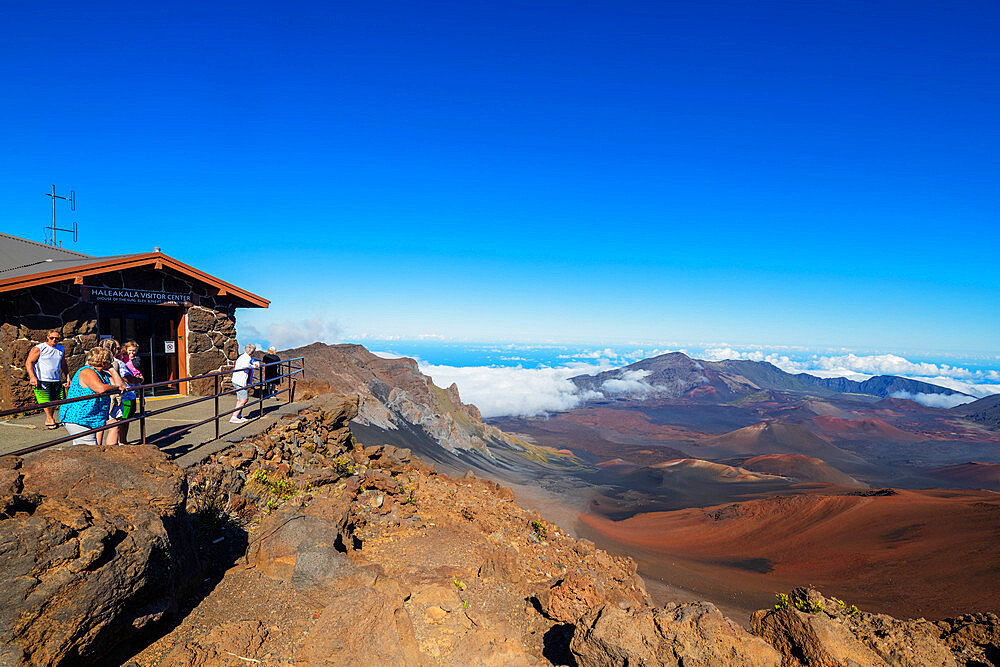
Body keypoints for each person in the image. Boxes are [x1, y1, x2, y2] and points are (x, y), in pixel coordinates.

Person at [59, 347, 118, 446]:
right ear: (104, 362)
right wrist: (115, 387)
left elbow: (121, 386)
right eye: (110, 361)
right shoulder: (86, 371)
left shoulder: (103, 374)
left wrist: (112, 370)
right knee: (89, 447)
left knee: (80, 449)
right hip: (79, 417)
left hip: (91, 416)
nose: (112, 363)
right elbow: (101, 388)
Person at [25, 329, 70, 429]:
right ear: (47, 337)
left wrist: (67, 375)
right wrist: (32, 377)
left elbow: (63, 363)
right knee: (45, 400)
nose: (54, 340)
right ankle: (50, 419)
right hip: (42, 378)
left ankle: (49, 418)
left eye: (57, 338)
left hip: (55, 378)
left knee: (55, 400)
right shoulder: (40, 348)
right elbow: (29, 362)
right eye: (52, 338)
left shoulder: (61, 349)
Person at [99, 338, 130, 445]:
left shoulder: (90, 363)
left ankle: (97, 448)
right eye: (117, 348)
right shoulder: (114, 363)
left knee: (99, 427)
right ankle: (113, 449)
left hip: (98, 398)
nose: (119, 350)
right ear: (112, 349)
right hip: (112, 398)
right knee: (114, 426)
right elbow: (119, 383)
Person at [117, 341, 144, 444]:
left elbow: (137, 366)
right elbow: (127, 378)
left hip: (131, 392)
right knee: (124, 418)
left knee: (127, 418)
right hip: (125, 394)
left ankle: (122, 440)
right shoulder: (119, 361)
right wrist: (139, 380)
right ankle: (121, 441)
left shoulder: (131, 359)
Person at [231, 343, 259, 423]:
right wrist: (254, 366)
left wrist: (255, 364)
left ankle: (238, 415)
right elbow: (246, 365)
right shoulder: (246, 358)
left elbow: (254, 362)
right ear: (253, 351)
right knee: (244, 400)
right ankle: (234, 417)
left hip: (237, 380)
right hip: (240, 381)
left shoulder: (246, 357)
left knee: (240, 399)